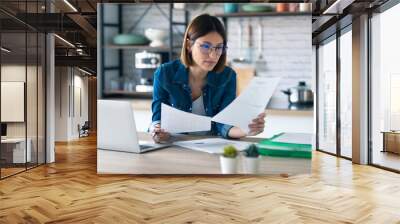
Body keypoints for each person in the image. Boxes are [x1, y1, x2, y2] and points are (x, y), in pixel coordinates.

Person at [150, 14, 266, 143]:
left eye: (219, 48)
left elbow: (224, 124)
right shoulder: (165, 73)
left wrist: (246, 130)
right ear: (189, 45)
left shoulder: (228, 76)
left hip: (211, 148)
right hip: (175, 147)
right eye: (205, 46)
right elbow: (157, 120)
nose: (213, 55)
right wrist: (158, 132)